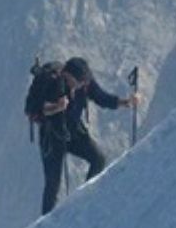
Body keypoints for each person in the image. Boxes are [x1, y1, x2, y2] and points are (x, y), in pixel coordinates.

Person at [34, 56, 141, 215]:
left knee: (98, 159)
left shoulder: (85, 83)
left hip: (74, 132)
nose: (82, 86)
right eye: (79, 82)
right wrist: (57, 107)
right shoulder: (52, 83)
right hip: (52, 136)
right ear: (67, 76)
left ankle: (85, 202)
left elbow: (101, 97)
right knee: (53, 184)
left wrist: (125, 102)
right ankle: (44, 227)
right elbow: (37, 111)